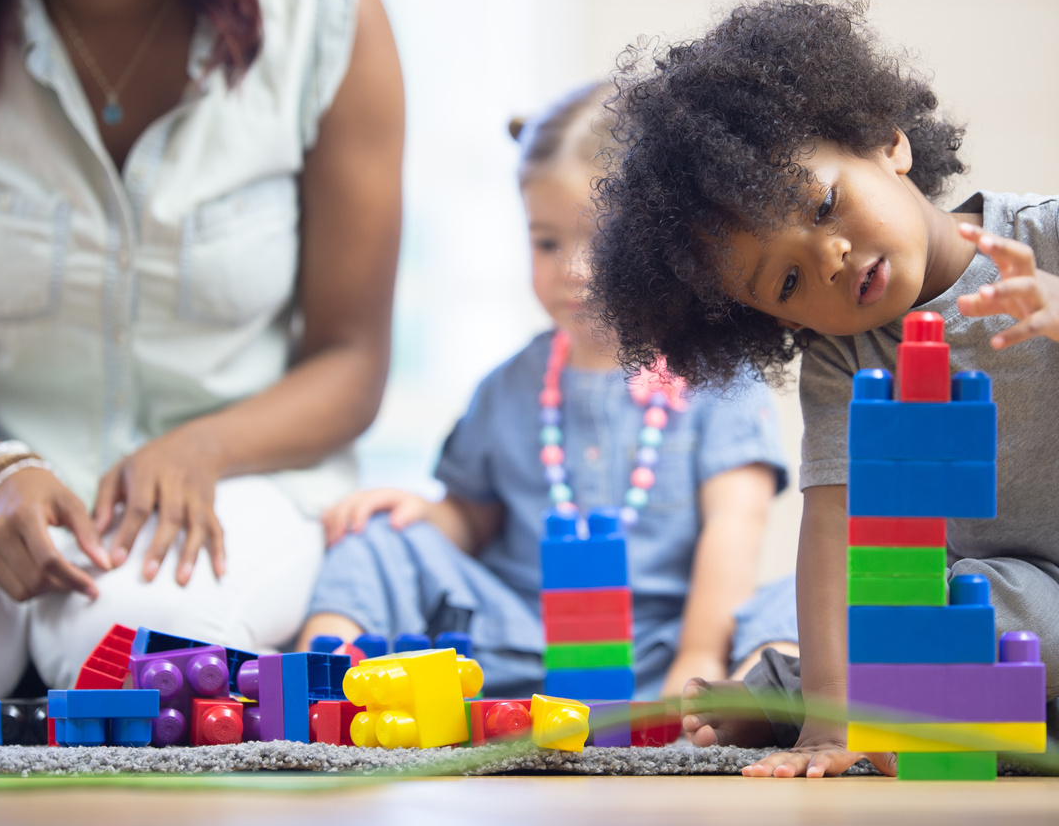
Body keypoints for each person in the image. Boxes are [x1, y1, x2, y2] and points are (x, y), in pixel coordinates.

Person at [586, 0, 1059, 774]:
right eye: (789, 281)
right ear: (768, 319)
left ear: (886, 142)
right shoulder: (846, 355)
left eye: (825, 205)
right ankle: (855, 703)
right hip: (1004, 606)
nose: (827, 258)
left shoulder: (1058, 238)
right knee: (1004, 616)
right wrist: (834, 724)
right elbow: (832, 524)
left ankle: (974, 734)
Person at [0, 0, 404, 697]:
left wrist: (203, 446)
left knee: (134, 652)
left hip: (237, 482)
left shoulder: (325, 16)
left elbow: (350, 362)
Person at [298, 84, 798, 700]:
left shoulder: (719, 375)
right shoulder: (511, 385)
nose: (574, 269)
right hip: (521, 645)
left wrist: (696, 654)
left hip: (667, 649)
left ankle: (739, 702)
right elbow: (474, 516)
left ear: (671, 241)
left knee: (813, 594)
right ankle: (317, 692)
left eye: (602, 240)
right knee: (377, 542)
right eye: (547, 242)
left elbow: (736, 525)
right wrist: (426, 518)